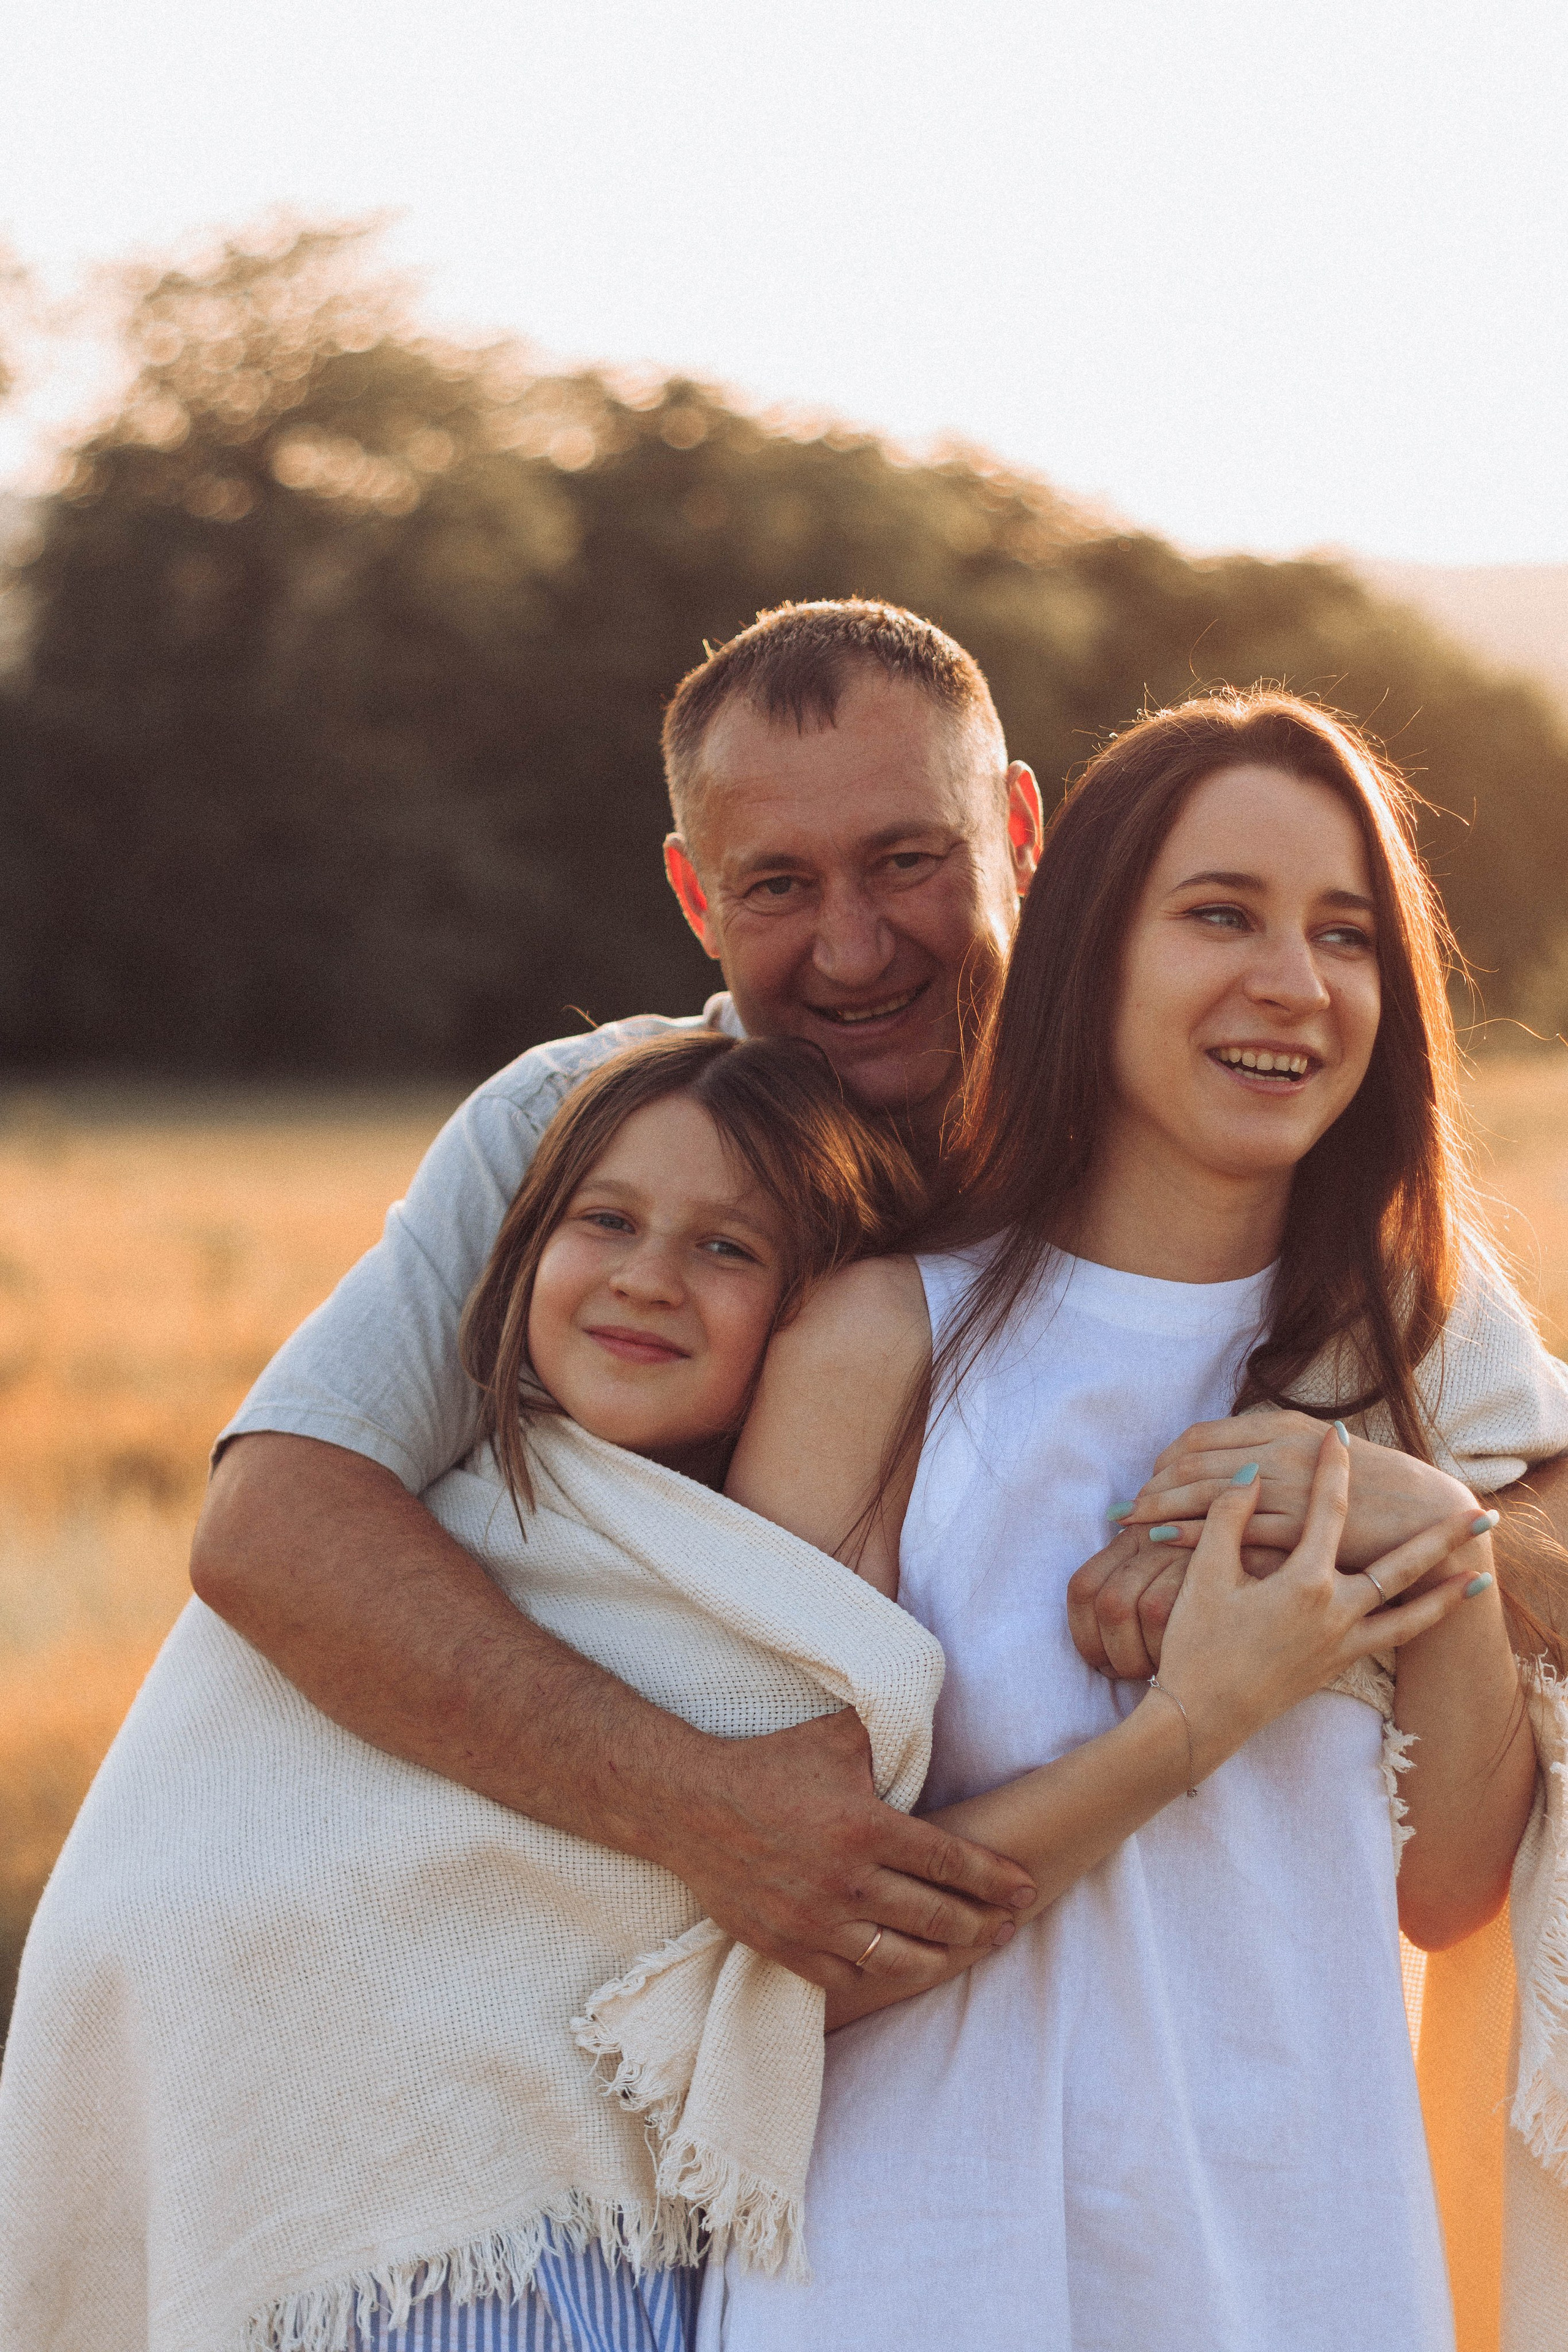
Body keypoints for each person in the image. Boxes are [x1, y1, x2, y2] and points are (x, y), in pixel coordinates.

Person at [189, 600, 1568, 2029]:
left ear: (1019, 831)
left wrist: (1350, 1504)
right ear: (691, 894)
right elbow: (276, 1515)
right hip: (469, 2004)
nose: (852, 951)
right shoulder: (588, 1135)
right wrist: (694, 1801)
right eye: (775, 886)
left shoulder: (1214, 1136)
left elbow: (1536, 1489)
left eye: (908, 863)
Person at [701, 692, 1568, 2351]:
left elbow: (1450, 1889)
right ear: (1089, 947)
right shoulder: (889, 1343)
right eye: (1220, 915)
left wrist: (1421, 1534)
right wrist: (1202, 1716)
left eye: (1347, 934)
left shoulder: (1402, 1359)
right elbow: (785, 1955)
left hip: (1306, 2258)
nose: (1293, 985)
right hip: (929, 2264)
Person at [1, 1030, 940, 2352]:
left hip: (544, 2235)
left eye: (728, 1249)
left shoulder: (771, 1582)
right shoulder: (409, 1528)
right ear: (517, 1261)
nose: (645, 1279)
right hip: (346, 2224)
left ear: (808, 1317)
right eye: (603, 1221)